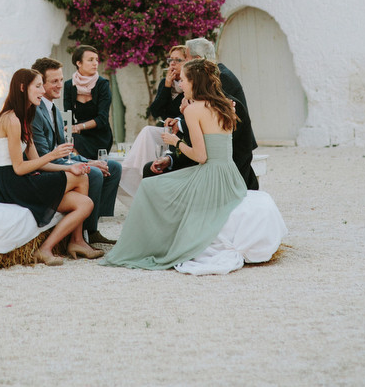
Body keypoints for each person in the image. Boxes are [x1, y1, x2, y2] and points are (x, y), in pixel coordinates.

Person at [101, 58, 247, 269]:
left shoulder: (194, 110)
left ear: (194, 82)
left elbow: (201, 156)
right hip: (230, 176)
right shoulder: (225, 105)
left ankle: (153, 245)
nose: (181, 84)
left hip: (209, 177)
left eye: (183, 80)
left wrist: (175, 141)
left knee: (149, 187)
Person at [0, 68, 103, 265]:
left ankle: (72, 242)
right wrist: (53, 155)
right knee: (81, 179)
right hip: (11, 184)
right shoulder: (11, 119)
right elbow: (19, 168)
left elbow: (39, 162)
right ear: (23, 88)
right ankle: (56, 246)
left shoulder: (24, 118)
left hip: (24, 178)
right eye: (38, 86)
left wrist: (68, 168)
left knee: (85, 200)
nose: (43, 91)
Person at [31, 56, 121, 246]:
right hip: (45, 171)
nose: (60, 85)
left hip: (60, 161)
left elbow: (65, 151)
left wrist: (87, 160)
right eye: (54, 81)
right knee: (94, 173)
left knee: (113, 167)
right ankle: (86, 232)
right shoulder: (35, 113)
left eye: (61, 80)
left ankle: (93, 226)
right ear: (41, 84)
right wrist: (87, 164)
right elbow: (45, 157)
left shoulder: (54, 110)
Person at [117, 45, 189, 205]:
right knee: (147, 131)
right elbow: (155, 111)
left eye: (178, 60)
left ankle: (143, 179)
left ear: (187, 62)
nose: (172, 63)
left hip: (184, 131)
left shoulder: (190, 83)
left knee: (148, 131)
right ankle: (138, 175)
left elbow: (191, 109)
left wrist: (177, 119)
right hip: (167, 130)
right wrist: (167, 86)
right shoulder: (166, 83)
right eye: (170, 60)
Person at [185, 37, 258, 189]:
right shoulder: (215, 75)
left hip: (235, 145)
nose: (184, 62)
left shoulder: (221, 77)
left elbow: (210, 113)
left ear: (197, 59)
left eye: (186, 58)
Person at [63, 45, 113, 159]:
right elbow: (68, 115)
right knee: (69, 142)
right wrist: (69, 129)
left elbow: (103, 118)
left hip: (101, 136)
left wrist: (80, 126)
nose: (95, 63)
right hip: (79, 135)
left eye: (96, 60)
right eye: (90, 60)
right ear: (79, 63)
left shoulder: (103, 84)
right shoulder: (69, 85)